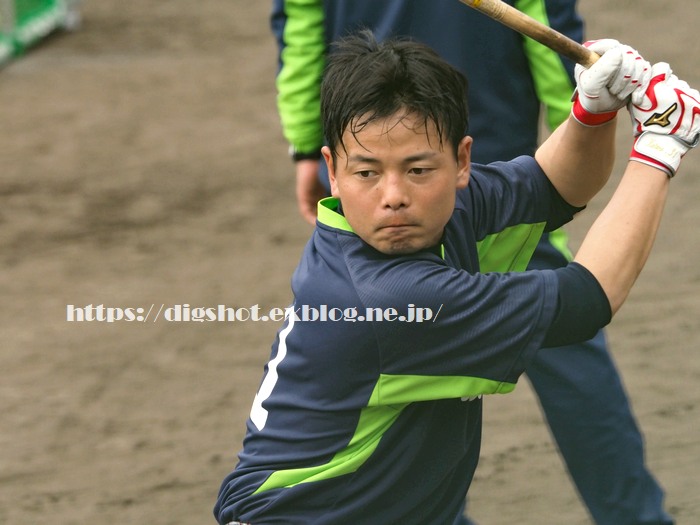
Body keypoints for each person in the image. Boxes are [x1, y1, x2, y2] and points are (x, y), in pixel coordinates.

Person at [214, 31, 700, 524]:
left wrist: (592, 112)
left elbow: (553, 186)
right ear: (332, 173)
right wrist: (660, 146)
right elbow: (588, 297)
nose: (394, 196)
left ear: (461, 161)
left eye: (418, 169)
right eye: (367, 173)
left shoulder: (438, 216)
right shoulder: (386, 298)